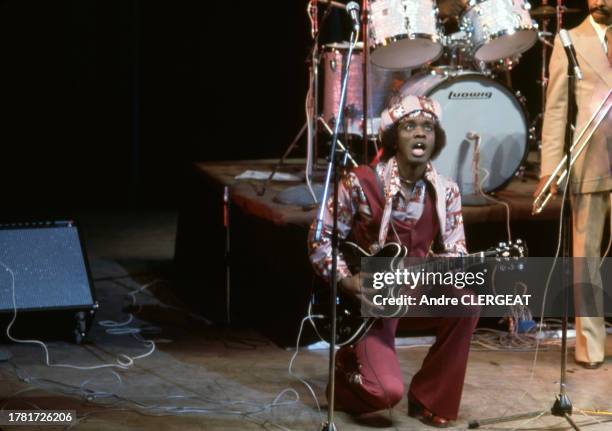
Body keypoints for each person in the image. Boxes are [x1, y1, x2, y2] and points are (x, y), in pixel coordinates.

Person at [308, 95, 478, 427]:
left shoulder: (447, 192)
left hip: (413, 293)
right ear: (393, 137)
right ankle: (345, 373)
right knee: (384, 394)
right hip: (370, 305)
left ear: (436, 137)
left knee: (467, 301)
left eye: (427, 127)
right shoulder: (360, 183)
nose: (420, 134)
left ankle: (431, 396)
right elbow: (319, 238)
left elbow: (456, 251)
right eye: (410, 126)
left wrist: (448, 267)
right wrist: (346, 280)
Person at [535, 0, 612, 369]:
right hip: (590, 162)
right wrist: (550, 167)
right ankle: (590, 347)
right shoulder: (568, 39)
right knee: (587, 261)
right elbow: (555, 109)